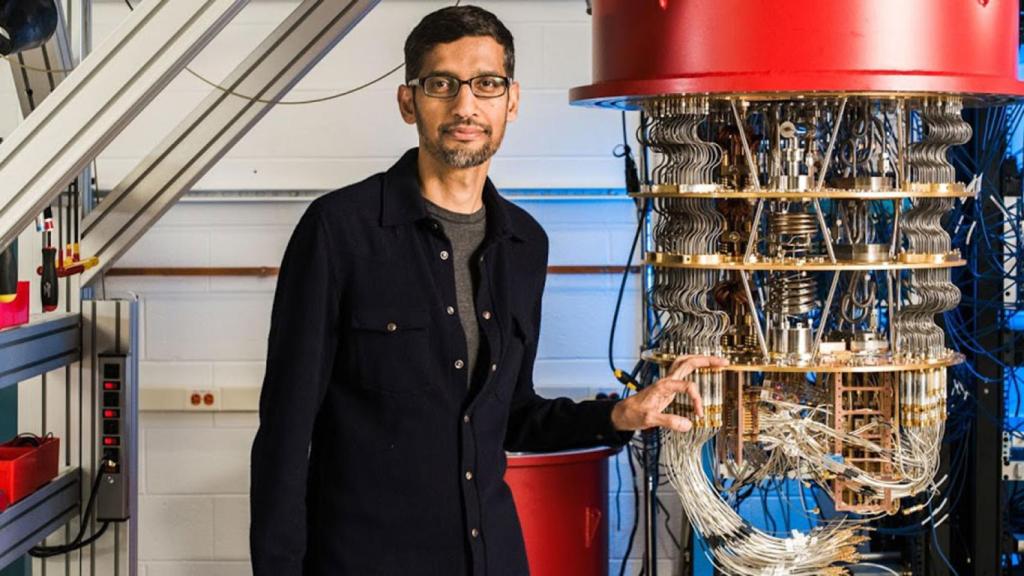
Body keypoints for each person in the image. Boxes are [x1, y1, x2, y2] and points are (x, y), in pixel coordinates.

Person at [249, 5, 728, 575]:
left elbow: (514, 415)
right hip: (367, 559)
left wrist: (623, 413)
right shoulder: (339, 231)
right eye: (441, 84)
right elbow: (284, 433)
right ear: (408, 102)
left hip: (490, 557)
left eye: (486, 84)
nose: (465, 106)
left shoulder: (524, 243)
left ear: (512, 101)